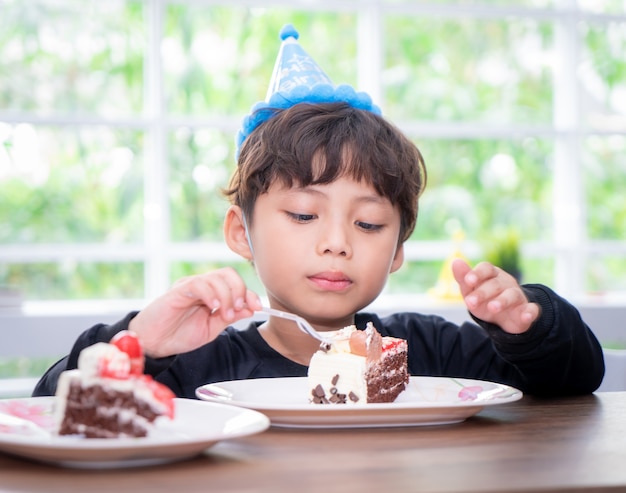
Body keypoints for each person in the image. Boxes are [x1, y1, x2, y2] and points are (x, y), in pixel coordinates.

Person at [33, 25, 604, 399]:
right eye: (304, 215)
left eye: (370, 224)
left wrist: (530, 324)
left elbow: (574, 381)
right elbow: (55, 406)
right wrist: (139, 342)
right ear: (241, 231)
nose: (337, 242)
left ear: (399, 248)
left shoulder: (429, 353)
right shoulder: (194, 367)